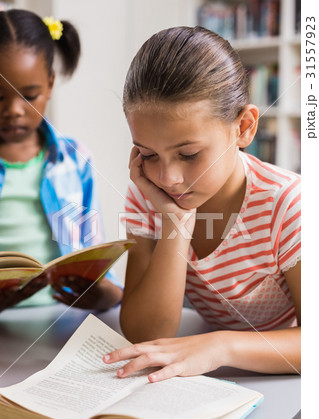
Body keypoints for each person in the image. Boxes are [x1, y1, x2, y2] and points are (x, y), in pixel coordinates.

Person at [103, 26, 301, 382]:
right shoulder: (149, 194)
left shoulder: (288, 203)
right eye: (147, 154)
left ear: (244, 127)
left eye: (189, 154)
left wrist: (221, 346)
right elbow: (145, 333)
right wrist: (175, 224)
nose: (168, 178)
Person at [0, 9, 122, 311]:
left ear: (50, 85)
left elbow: (93, 255)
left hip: (61, 315)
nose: (14, 110)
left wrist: (109, 294)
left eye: (29, 96)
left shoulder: (74, 158)